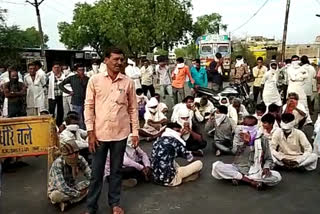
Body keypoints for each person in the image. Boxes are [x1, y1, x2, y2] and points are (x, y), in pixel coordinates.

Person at [83, 47, 139, 214]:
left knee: (116, 171)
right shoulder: (95, 80)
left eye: (121, 60)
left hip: (120, 134)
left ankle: (114, 204)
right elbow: (89, 107)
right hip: (99, 134)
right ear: (106, 60)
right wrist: (90, 132)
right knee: (96, 173)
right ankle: (91, 207)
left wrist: (135, 132)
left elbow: (133, 109)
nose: (119, 63)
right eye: (115, 59)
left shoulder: (128, 82)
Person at [212, 116, 282, 189]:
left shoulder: (262, 138)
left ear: (256, 126)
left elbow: (268, 159)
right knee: (216, 166)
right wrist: (245, 143)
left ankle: (239, 178)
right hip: (238, 167)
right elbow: (235, 152)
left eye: (250, 125)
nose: (247, 127)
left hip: (257, 170)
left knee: (277, 177)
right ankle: (250, 181)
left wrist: (266, 168)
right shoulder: (239, 136)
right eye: (245, 125)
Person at [48, 139, 91, 212]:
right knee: (55, 196)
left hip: (73, 186)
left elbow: (90, 175)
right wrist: (78, 194)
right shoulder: (58, 163)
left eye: (76, 153)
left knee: (93, 184)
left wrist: (90, 184)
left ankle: (68, 202)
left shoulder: (80, 159)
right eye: (71, 154)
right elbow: (62, 187)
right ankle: (74, 200)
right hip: (58, 189)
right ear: (65, 155)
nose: (74, 156)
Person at [59, 64, 89, 129]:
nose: (81, 72)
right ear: (76, 71)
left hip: (86, 101)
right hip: (76, 101)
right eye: (80, 70)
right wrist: (69, 92)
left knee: (86, 119)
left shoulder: (87, 79)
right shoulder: (72, 78)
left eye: (83, 70)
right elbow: (61, 85)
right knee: (78, 119)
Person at [47, 62, 65, 126]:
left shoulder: (64, 75)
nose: (56, 69)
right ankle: (52, 124)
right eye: (55, 67)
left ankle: (59, 123)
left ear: (60, 68)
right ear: (52, 68)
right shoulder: (49, 75)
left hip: (61, 95)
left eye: (58, 67)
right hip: (52, 95)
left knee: (60, 110)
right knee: (51, 110)